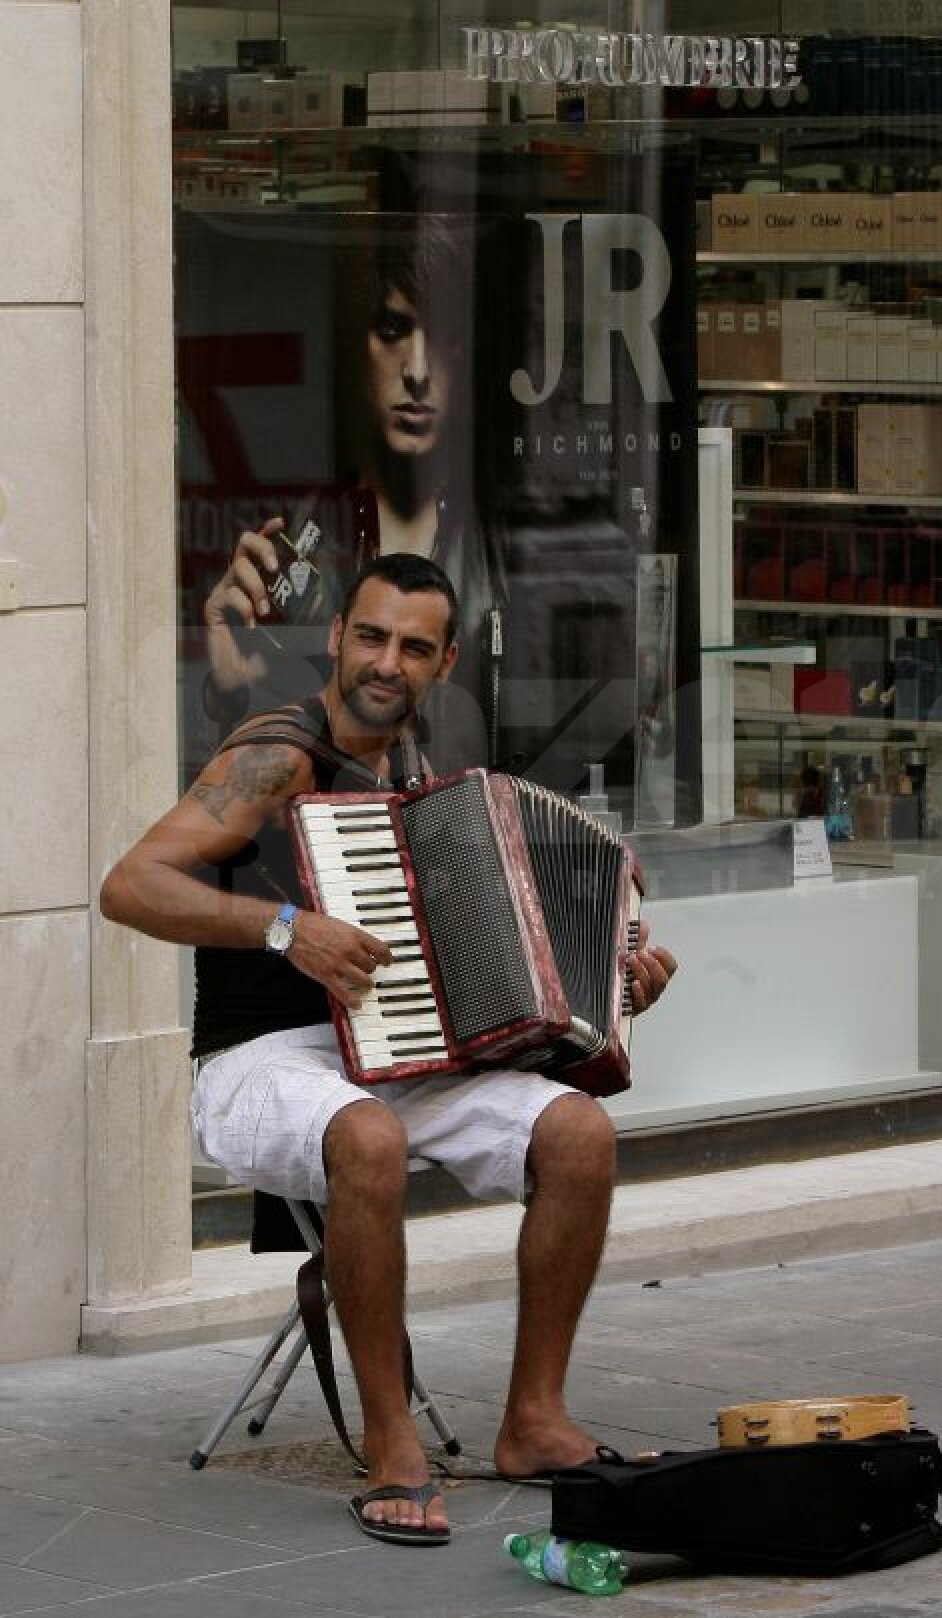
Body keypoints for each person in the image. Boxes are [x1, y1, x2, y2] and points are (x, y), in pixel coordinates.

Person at [100, 553, 677, 1548]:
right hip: (257, 1060)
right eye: (370, 636)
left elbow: (484, 977)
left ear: (445, 659)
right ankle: (390, 1443)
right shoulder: (276, 753)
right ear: (336, 638)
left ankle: (533, 1420)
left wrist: (609, 987)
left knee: (577, 1133)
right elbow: (131, 883)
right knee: (362, 1137)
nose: (386, 661)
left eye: (414, 646)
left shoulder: (427, 774)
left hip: (387, 1052)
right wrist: (286, 927)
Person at [200, 217, 505, 774]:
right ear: (355, 347)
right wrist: (228, 687)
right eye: (392, 330)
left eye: (442, 335)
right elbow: (242, 784)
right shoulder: (296, 547)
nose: (417, 370)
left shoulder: (504, 545)